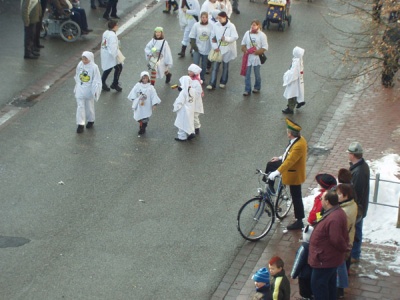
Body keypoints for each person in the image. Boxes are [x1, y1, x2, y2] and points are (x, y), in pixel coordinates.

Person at [265, 118, 307, 230]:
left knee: (296, 196)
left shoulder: (298, 146)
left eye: (287, 131)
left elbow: (289, 161)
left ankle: (299, 220)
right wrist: (279, 158)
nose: (287, 133)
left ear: (290, 134)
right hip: (290, 167)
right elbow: (288, 152)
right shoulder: (296, 140)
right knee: (270, 164)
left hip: (294, 174)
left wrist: (277, 172)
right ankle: (271, 188)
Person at [308, 190, 350, 300]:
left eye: (322, 198)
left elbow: (336, 239)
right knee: (330, 286)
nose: (320, 200)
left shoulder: (334, 218)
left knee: (319, 286)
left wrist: (344, 249)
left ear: (327, 201)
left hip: (324, 260)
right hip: (328, 259)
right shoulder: (336, 213)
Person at [347, 141, 370, 263]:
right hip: (359, 206)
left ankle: (355, 254)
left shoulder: (358, 172)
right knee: (356, 229)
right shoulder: (360, 167)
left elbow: (356, 192)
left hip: (357, 207)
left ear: (353, 155)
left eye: (349, 153)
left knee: (356, 230)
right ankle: (355, 253)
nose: (348, 155)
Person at [206, 11, 238, 90]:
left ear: (225, 17)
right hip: (218, 49)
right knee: (215, 67)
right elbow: (212, 37)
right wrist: (215, 46)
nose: (219, 20)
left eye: (220, 18)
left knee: (225, 66)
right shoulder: (216, 25)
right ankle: (212, 83)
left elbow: (235, 37)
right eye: (218, 18)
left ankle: (223, 82)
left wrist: (226, 39)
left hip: (227, 49)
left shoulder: (231, 26)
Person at [336, 183, 358, 299]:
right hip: (349, 239)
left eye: (339, 194)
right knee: (344, 264)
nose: (337, 195)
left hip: (344, 243)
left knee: (340, 267)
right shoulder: (351, 204)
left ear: (346, 196)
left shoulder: (344, 212)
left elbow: (339, 230)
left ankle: (339, 290)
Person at [74, 51, 102, 133]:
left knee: (89, 106)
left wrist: (95, 90)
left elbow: (97, 79)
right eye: (83, 58)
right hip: (80, 89)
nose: (84, 60)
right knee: (80, 106)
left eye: (86, 59)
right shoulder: (80, 64)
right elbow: (77, 74)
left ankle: (91, 120)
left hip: (89, 90)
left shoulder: (94, 67)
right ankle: (80, 124)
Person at [127, 71, 161, 136]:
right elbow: (133, 92)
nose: (145, 80)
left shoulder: (150, 87)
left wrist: (154, 104)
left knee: (145, 117)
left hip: (147, 105)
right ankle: (141, 124)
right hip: (139, 104)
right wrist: (134, 99)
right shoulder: (138, 85)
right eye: (143, 78)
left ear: (148, 78)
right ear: (141, 79)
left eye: (146, 78)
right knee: (138, 116)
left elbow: (154, 95)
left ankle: (143, 127)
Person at [240, 19, 268, 96]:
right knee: (247, 74)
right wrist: (245, 50)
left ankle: (257, 87)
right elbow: (243, 44)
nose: (253, 26)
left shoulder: (262, 35)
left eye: (255, 25)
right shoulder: (247, 33)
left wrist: (257, 52)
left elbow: (265, 47)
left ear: (258, 26)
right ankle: (247, 89)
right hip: (248, 57)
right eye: (252, 25)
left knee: (257, 74)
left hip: (257, 58)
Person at [291, 225, 314, 300]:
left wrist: (293, 274)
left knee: (305, 291)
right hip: (313, 273)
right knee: (311, 290)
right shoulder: (315, 246)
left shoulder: (303, 248)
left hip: (304, 275)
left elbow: (298, 262)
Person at [189, 11, 213, 82]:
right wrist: (194, 46)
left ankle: (202, 78)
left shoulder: (211, 26)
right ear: (200, 18)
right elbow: (192, 36)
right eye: (203, 17)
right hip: (197, 48)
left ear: (207, 18)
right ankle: (195, 78)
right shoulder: (196, 25)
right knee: (196, 64)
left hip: (206, 49)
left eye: (205, 17)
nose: (204, 19)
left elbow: (213, 36)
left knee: (204, 65)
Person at [101, 20, 123, 92]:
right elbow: (112, 47)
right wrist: (117, 56)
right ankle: (115, 83)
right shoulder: (112, 36)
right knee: (119, 67)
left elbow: (104, 44)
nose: (118, 26)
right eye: (117, 25)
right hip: (111, 55)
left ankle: (103, 82)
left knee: (108, 68)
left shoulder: (106, 33)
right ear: (114, 26)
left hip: (105, 53)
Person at [282, 46, 305, 114]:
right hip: (298, 80)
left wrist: (287, 76)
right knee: (298, 92)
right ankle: (300, 101)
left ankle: (290, 108)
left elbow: (293, 73)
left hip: (294, 81)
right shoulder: (299, 59)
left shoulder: (296, 62)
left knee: (291, 94)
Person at [173, 76, 196, 141]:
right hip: (190, 109)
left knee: (181, 124)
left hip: (183, 110)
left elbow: (179, 101)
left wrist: (176, 107)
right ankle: (191, 132)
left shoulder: (183, 92)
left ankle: (182, 137)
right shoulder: (192, 90)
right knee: (189, 122)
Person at [187, 64, 204, 135]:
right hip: (191, 101)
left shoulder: (196, 82)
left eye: (190, 71)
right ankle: (191, 127)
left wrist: (189, 91)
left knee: (194, 116)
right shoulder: (189, 79)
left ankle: (197, 127)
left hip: (196, 102)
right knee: (190, 115)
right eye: (188, 71)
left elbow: (197, 93)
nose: (189, 72)